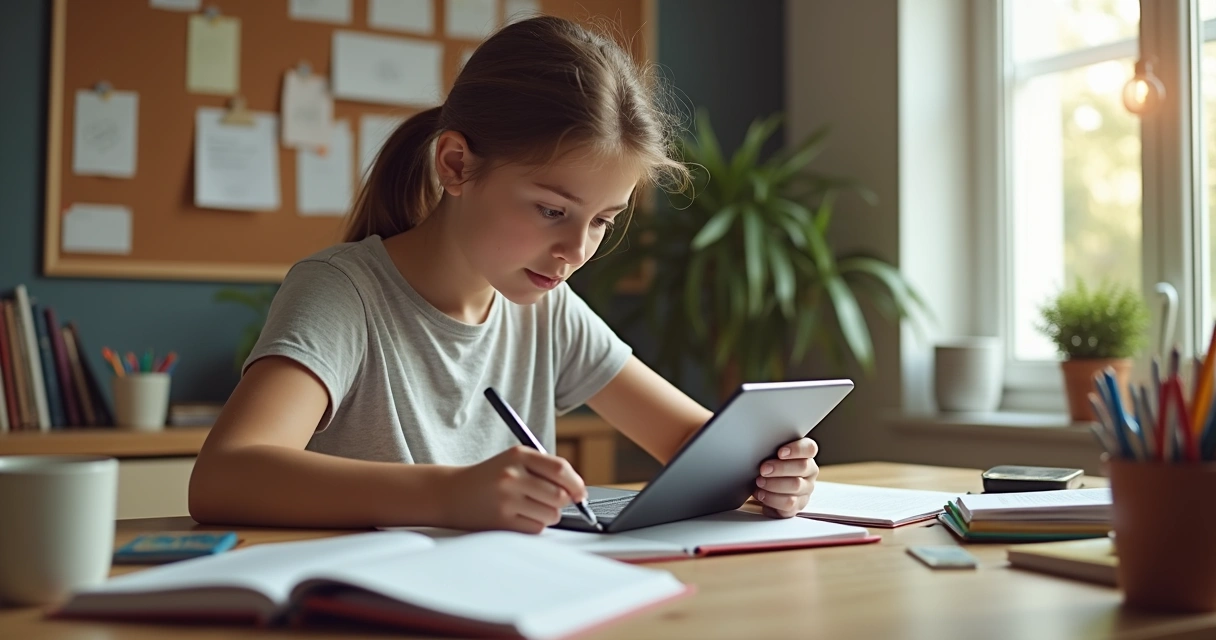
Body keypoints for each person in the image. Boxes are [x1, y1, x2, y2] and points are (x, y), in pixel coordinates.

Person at [188, 15, 819, 533]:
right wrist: (450, 496)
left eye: (602, 220)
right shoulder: (344, 291)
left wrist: (765, 473)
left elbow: (693, 443)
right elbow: (226, 477)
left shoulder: (547, 305)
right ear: (457, 165)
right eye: (552, 210)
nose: (576, 249)